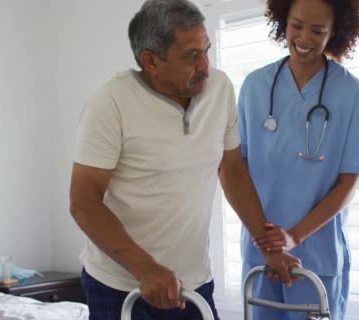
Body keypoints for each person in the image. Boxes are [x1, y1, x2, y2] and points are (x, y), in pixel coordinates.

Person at [69, 0, 300, 319]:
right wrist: (145, 268)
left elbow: (232, 170)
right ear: (150, 60)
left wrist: (269, 248)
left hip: (193, 281)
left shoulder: (219, 89)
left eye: (206, 49)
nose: (205, 65)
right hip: (121, 284)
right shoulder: (110, 104)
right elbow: (83, 202)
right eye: (191, 55)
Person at [237, 0, 359, 319]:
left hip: (317, 255)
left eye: (318, 31)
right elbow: (238, 171)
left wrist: (294, 237)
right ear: (282, 20)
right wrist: (271, 246)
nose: (304, 38)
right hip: (260, 251)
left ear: (336, 32)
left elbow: (348, 183)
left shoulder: (352, 93)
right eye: (296, 25)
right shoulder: (254, 87)